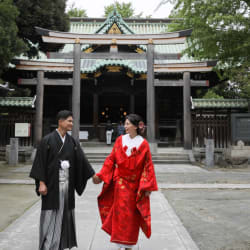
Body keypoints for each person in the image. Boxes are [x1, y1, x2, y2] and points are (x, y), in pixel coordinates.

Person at [30, 110, 95, 250]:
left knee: (64, 214)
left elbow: (81, 160)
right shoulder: (47, 140)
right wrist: (41, 182)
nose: (72, 123)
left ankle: (59, 244)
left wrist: (93, 175)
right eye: (69, 121)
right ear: (60, 122)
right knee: (50, 214)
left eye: (72, 121)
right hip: (51, 184)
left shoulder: (72, 141)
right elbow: (40, 162)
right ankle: (47, 245)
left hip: (67, 186)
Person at [92, 114, 158, 250]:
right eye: (125, 124)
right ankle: (120, 244)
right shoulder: (120, 140)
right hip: (120, 185)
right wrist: (101, 175)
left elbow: (148, 166)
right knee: (120, 215)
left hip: (134, 187)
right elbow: (111, 159)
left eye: (128, 124)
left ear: (135, 126)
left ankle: (129, 245)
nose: (125, 127)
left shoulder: (143, 144)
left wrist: (147, 187)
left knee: (132, 217)